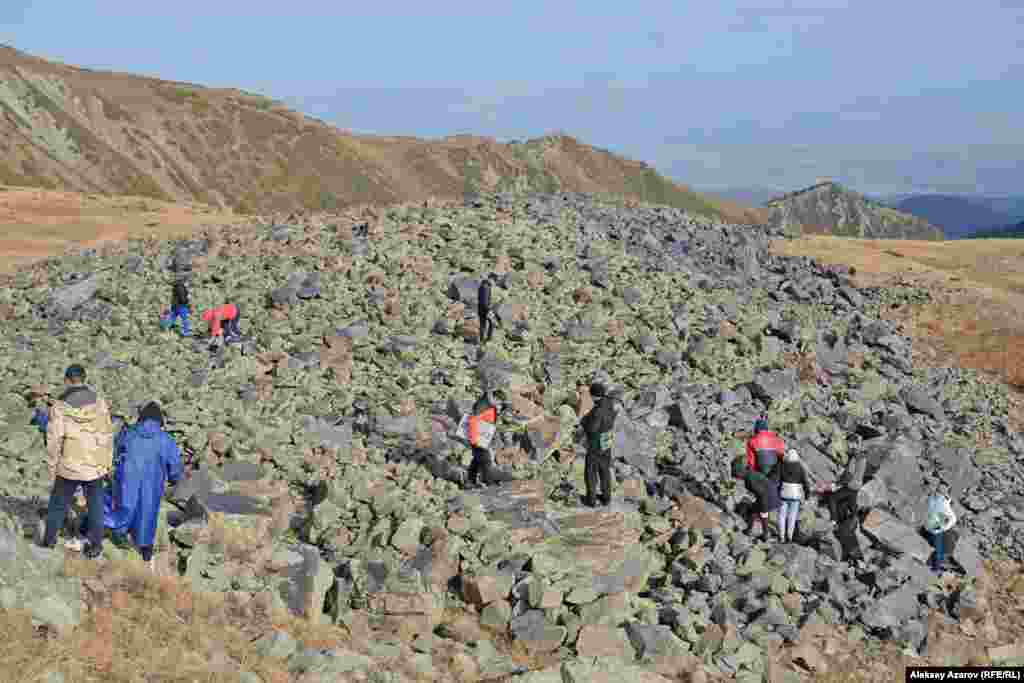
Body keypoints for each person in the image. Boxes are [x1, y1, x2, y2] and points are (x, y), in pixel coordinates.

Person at [41, 365, 115, 559]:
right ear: (84, 378)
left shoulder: (59, 406)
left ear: (67, 380)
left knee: (58, 504)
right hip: (95, 464)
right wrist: (107, 462)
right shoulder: (99, 403)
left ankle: (49, 541)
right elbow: (108, 434)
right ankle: (96, 545)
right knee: (96, 505)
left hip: (70, 464)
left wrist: (52, 466)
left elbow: (54, 440)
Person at [103, 402, 183, 570]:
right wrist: (175, 478)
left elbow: (115, 452)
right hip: (152, 481)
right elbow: (175, 465)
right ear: (159, 420)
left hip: (127, 478)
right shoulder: (165, 440)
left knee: (125, 505)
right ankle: (145, 547)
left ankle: (119, 534)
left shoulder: (129, 433)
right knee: (147, 511)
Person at [580, 383, 619, 507]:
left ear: (595, 396)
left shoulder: (598, 410)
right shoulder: (609, 403)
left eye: (591, 395)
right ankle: (606, 498)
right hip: (607, 440)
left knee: (591, 471)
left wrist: (584, 422)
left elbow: (592, 428)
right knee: (605, 469)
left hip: (596, 443)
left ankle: (591, 500)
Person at [732, 455, 781, 540]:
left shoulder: (750, 479)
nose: (737, 477)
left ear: (741, 472)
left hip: (767, 498)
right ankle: (761, 532)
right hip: (771, 496)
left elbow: (761, 493)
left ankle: (758, 532)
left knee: (757, 512)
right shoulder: (751, 474)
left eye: (737, 474)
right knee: (759, 513)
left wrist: (761, 506)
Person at [465, 388, 503, 488]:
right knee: (486, 460)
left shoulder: (489, 404)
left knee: (477, 459)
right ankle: (488, 482)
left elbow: (489, 419)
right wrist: (474, 439)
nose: (499, 403)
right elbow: (473, 421)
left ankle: (470, 481)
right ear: (495, 397)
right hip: (478, 437)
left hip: (482, 435)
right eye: (499, 400)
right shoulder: (482, 405)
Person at [777, 448, 811, 543]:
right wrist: (807, 496)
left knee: (781, 516)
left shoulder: (782, 466)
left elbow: (778, 480)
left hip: (783, 494)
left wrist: (777, 492)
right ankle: (789, 537)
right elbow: (805, 483)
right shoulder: (800, 468)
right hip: (795, 495)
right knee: (792, 517)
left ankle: (781, 536)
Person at [924, 490, 957, 575]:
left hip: (931, 525)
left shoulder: (934, 500)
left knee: (936, 546)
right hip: (934, 528)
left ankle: (933, 564)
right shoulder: (941, 502)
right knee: (939, 548)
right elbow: (951, 519)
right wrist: (941, 527)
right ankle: (935, 567)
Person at [477, 274, 496, 346]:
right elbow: (485, 301)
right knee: (492, 322)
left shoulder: (483, 286)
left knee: (483, 324)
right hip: (485, 308)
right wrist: (489, 309)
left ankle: (482, 339)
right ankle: (488, 339)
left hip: (481, 308)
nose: (494, 282)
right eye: (493, 280)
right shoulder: (486, 287)